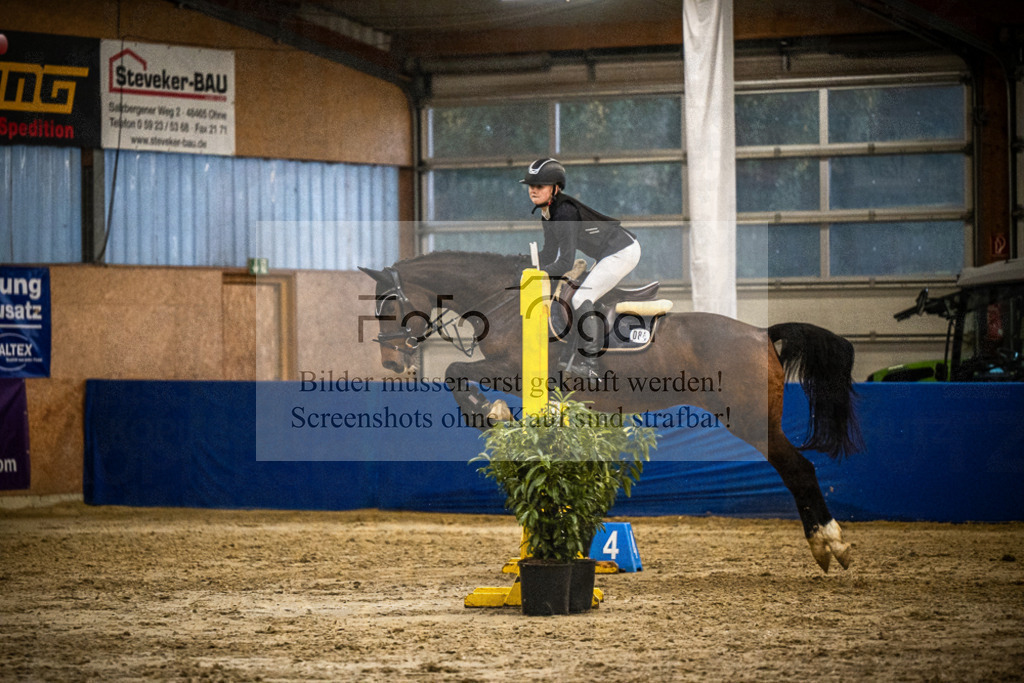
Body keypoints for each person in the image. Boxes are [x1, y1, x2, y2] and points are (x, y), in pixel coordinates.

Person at [520, 157, 641, 381]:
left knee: (580, 298)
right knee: (576, 293)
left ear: (555, 188)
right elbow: (548, 253)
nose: (533, 190)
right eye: (531, 186)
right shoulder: (547, 212)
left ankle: (591, 364)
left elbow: (565, 262)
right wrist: (521, 265)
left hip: (622, 251)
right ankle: (572, 355)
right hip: (607, 253)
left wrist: (537, 276)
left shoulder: (564, 213)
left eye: (540, 186)